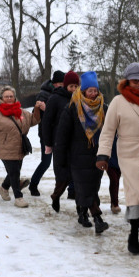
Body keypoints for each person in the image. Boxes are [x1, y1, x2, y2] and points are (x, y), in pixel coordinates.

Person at [96, 62, 139, 254]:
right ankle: (134, 235)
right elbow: (108, 130)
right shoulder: (118, 102)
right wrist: (103, 154)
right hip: (129, 155)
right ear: (127, 81)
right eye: (135, 81)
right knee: (136, 195)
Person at [0, 86, 44, 207]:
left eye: (11, 96)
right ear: (1, 98)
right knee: (14, 172)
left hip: (19, 147)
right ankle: (18, 197)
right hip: (4, 148)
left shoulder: (21, 112)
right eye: (6, 96)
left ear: (14, 97)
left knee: (14, 171)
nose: (9, 98)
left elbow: (34, 120)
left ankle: (4, 188)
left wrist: (37, 108)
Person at [55, 72, 108, 233]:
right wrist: (60, 158)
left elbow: (109, 131)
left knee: (92, 186)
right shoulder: (72, 108)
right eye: (90, 90)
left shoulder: (103, 108)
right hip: (77, 155)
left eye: (95, 90)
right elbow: (62, 135)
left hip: (97, 155)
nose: (93, 94)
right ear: (83, 90)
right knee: (84, 187)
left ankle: (82, 214)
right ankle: (97, 218)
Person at [45, 71, 81, 210]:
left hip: (76, 142)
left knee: (77, 173)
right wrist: (48, 143)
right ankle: (56, 195)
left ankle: (77, 200)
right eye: (71, 86)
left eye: (76, 86)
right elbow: (47, 121)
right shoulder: (55, 99)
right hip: (59, 142)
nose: (73, 89)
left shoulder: (80, 99)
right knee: (62, 173)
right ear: (66, 86)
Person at [29, 71, 63, 196]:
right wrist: (44, 108)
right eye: (61, 83)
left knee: (62, 163)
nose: (62, 86)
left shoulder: (62, 94)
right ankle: (33, 184)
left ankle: (68, 189)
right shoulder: (43, 94)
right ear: (55, 83)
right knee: (46, 162)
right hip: (46, 134)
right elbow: (37, 114)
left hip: (59, 134)